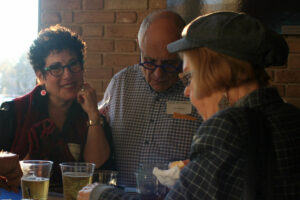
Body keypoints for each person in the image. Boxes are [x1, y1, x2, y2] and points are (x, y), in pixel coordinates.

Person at [164, 11, 300, 199]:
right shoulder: (292, 117)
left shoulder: (228, 128)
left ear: (219, 75)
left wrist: (107, 193)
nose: (186, 92)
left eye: (189, 77)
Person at [78, 10, 202, 200]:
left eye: (169, 64)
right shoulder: (121, 83)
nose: (158, 74)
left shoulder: (197, 90)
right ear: (140, 48)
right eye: (150, 62)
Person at [0, 25, 110, 191]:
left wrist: (93, 114)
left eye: (74, 64)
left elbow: (96, 165)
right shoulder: (14, 112)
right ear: (40, 75)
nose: (68, 75)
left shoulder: (90, 114)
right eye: (56, 68)